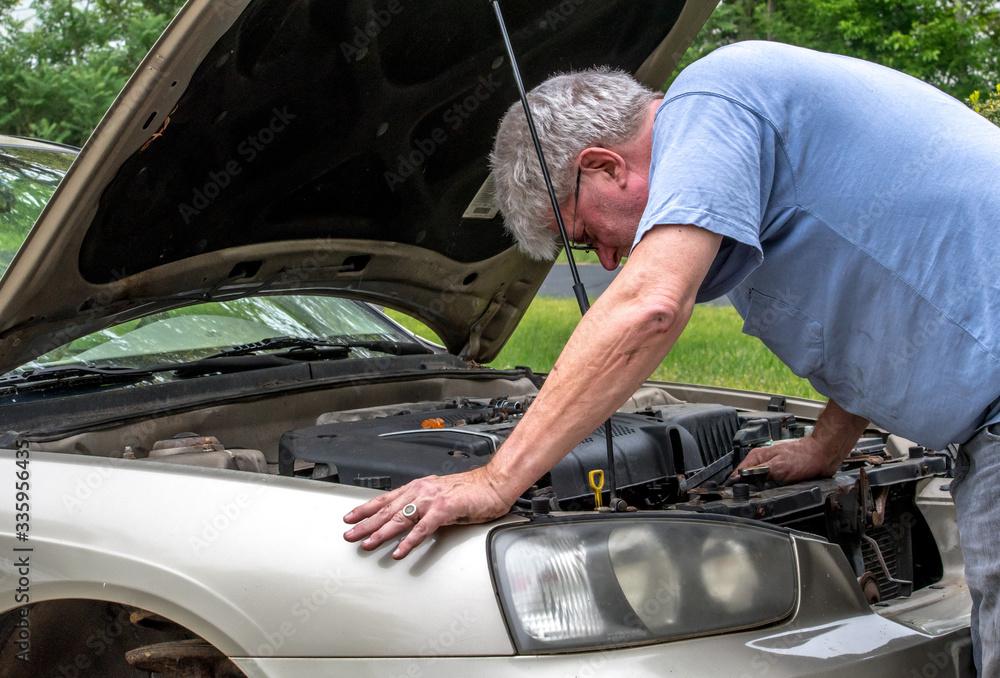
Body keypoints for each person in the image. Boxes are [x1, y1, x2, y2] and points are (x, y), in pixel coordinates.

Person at [344, 41, 1000, 675]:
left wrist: (494, 480)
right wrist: (825, 448)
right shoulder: (747, 178)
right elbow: (875, 318)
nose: (606, 259)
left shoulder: (717, 98)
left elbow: (649, 307)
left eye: (583, 234)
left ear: (603, 166)